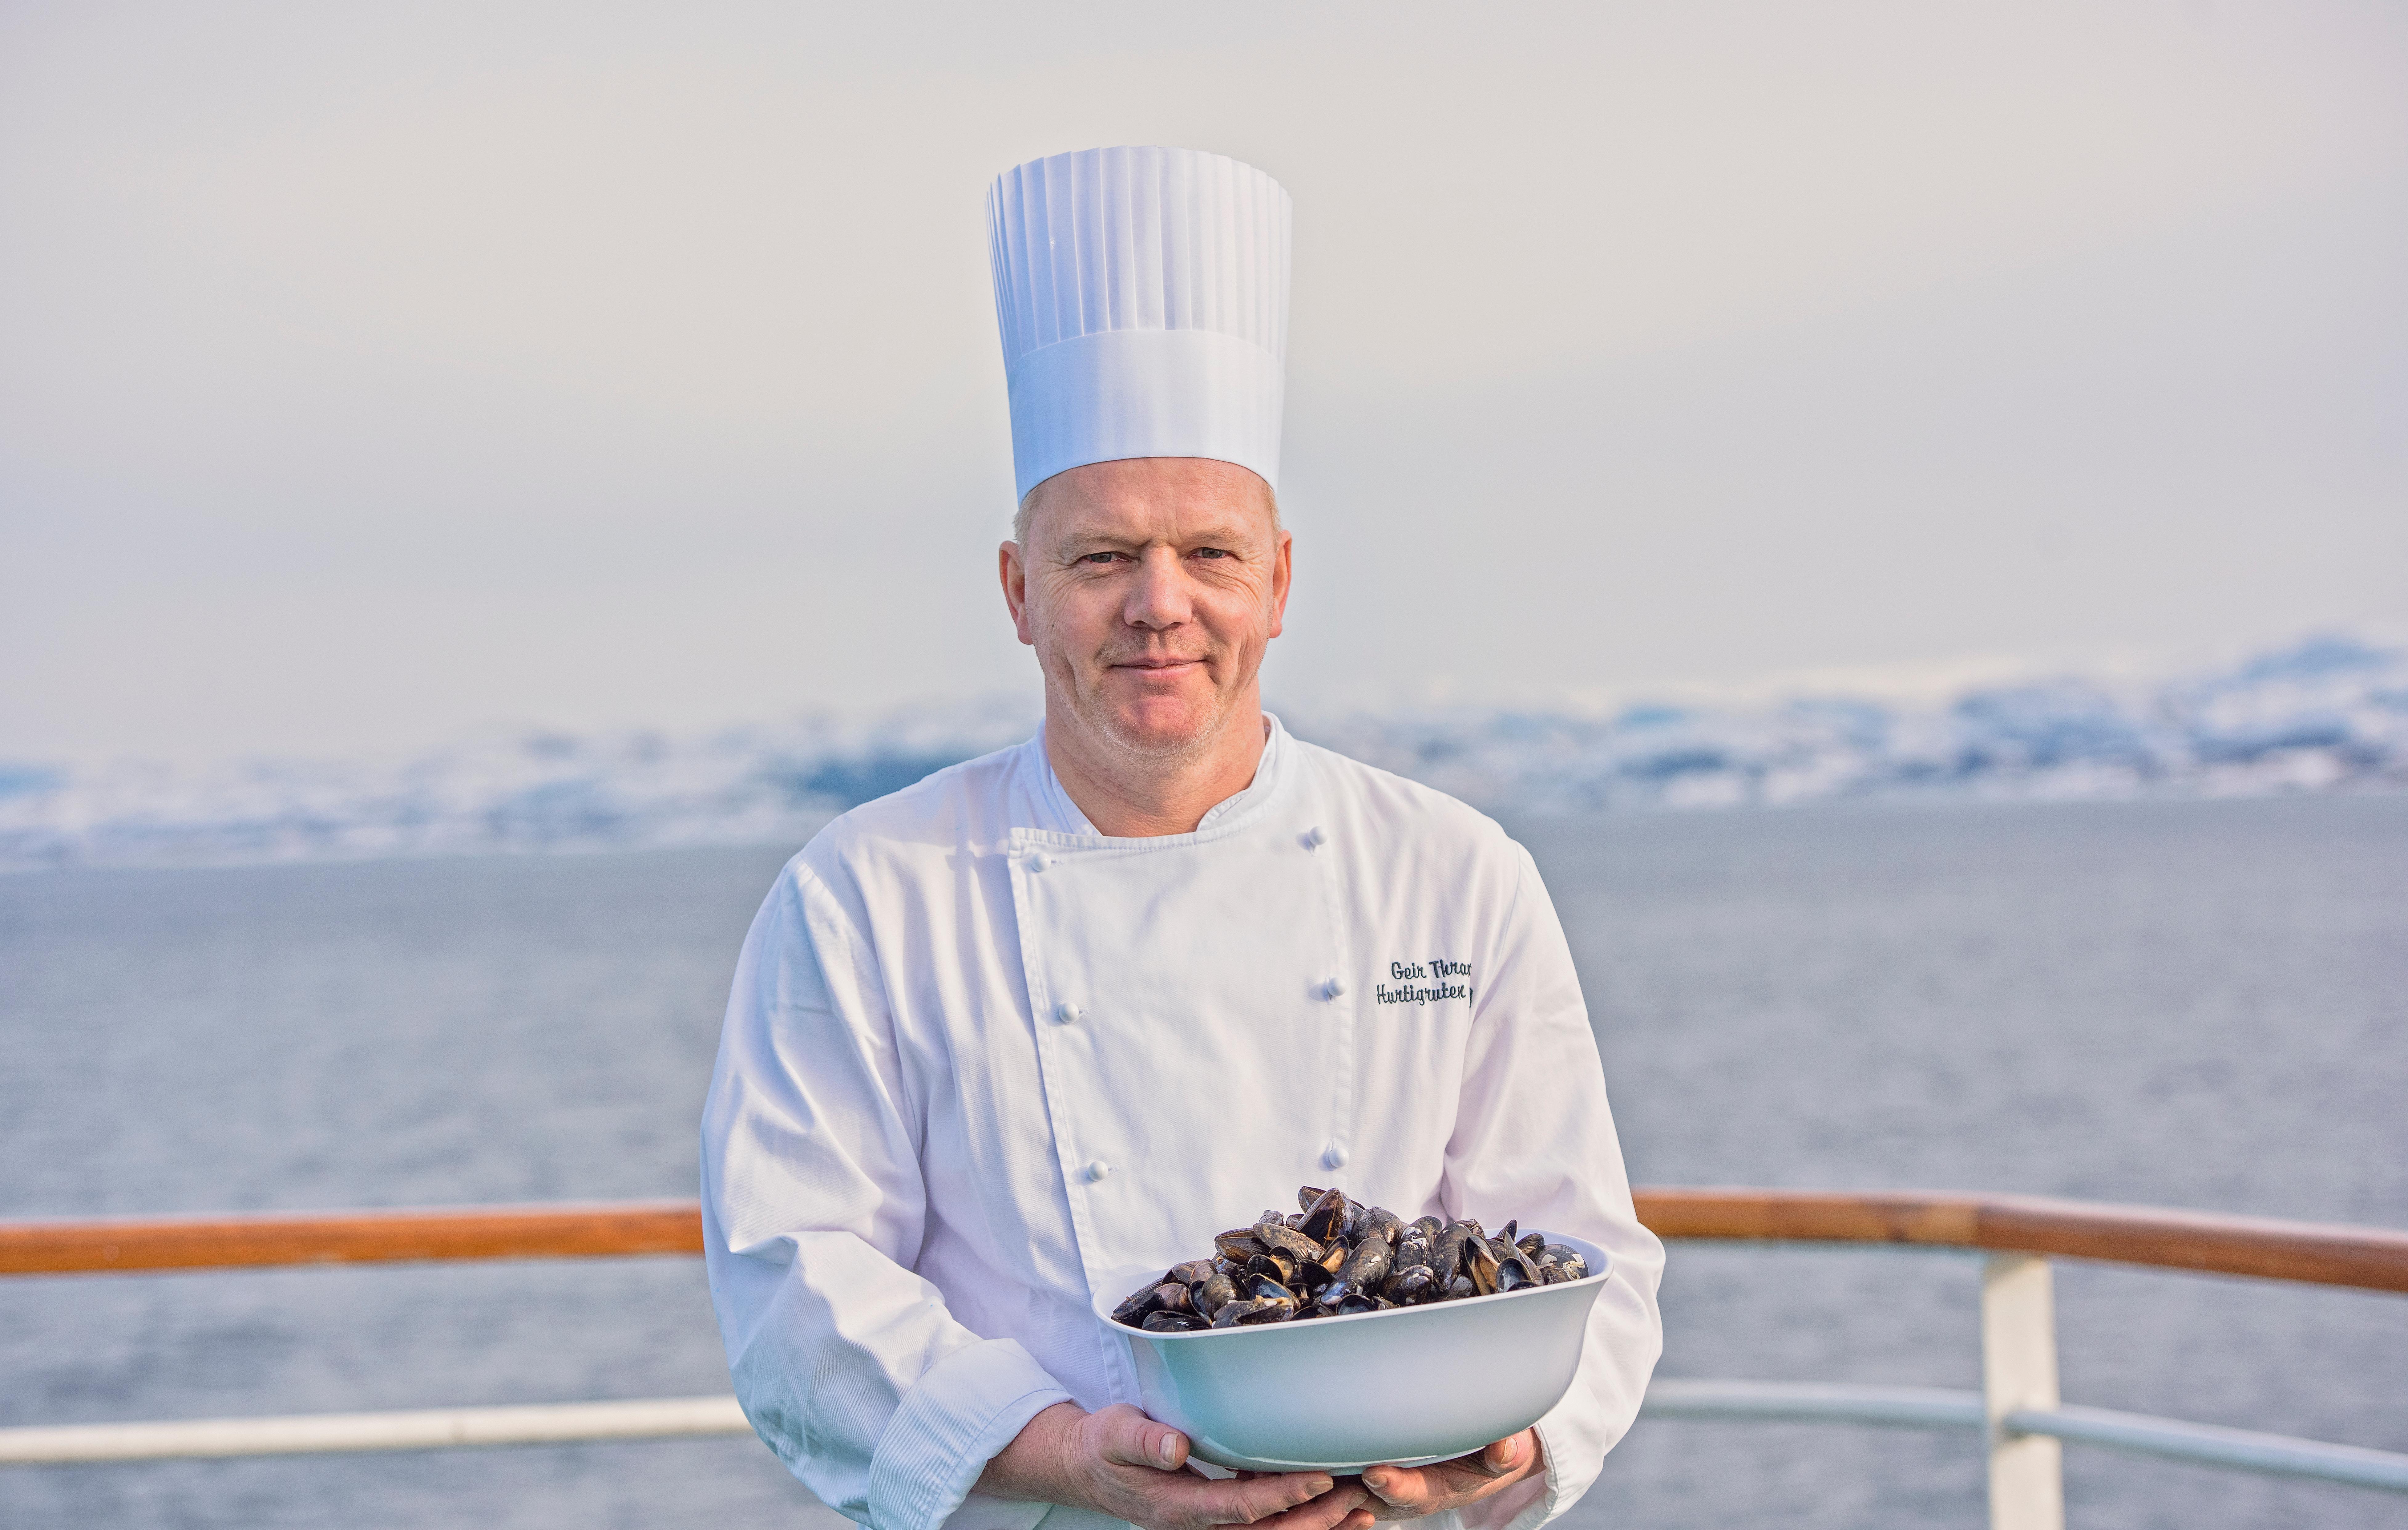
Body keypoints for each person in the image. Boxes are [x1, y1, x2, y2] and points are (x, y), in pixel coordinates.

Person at [701, 146, 1663, 1530]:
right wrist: (1065, 1454)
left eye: (1209, 554)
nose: (1160, 605)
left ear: (1276, 582)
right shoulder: (865, 893)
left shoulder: (1453, 874)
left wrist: (1498, 1452)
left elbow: (1585, 1253)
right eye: (1100, 558)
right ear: (1017, 590)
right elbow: (794, 1276)